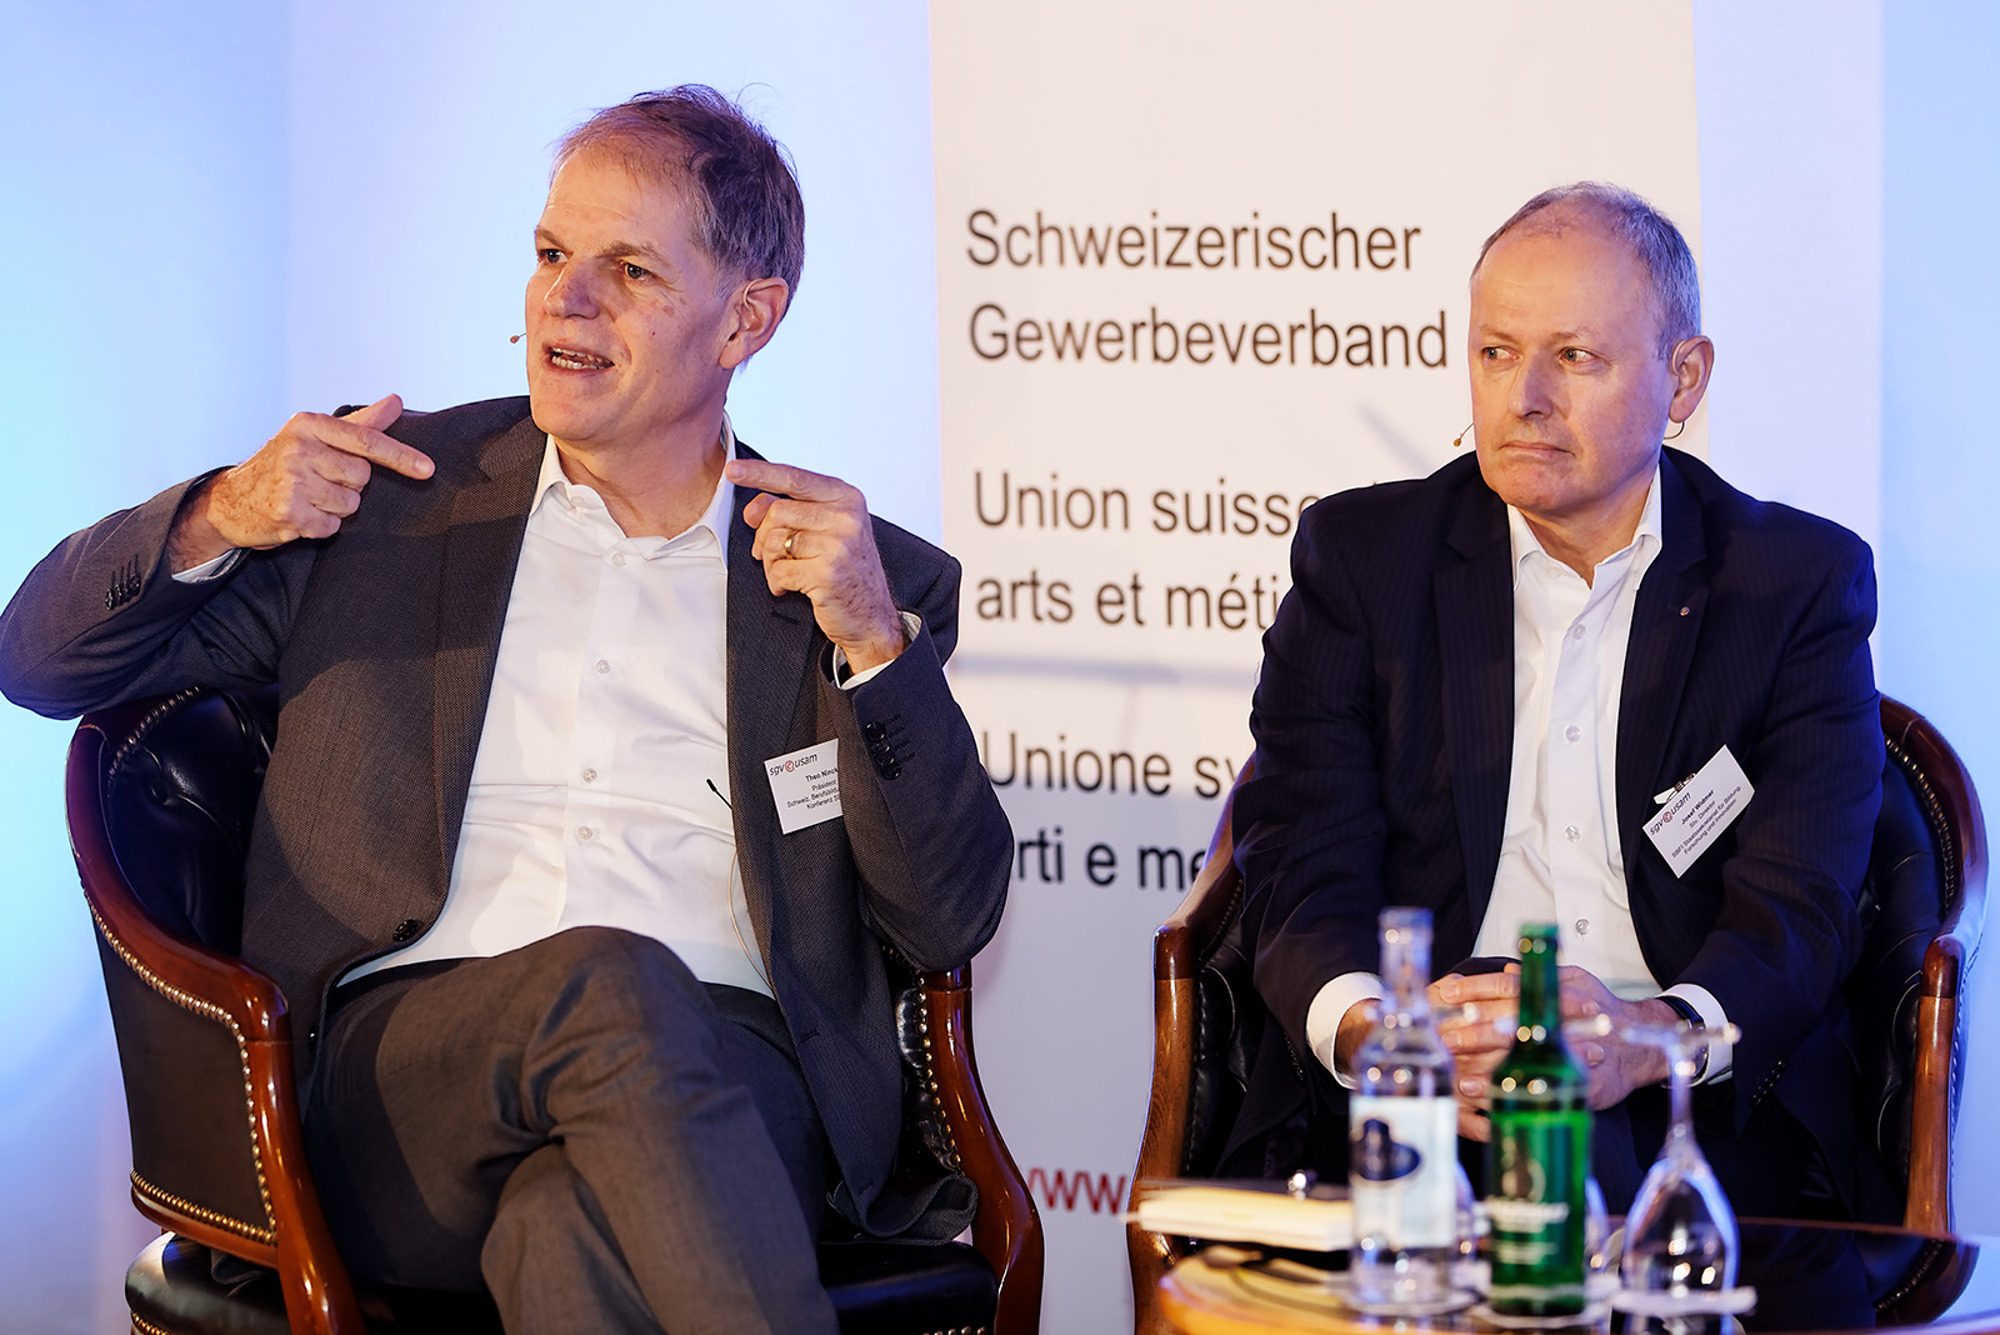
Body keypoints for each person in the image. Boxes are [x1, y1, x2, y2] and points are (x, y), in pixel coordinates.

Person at [0, 86, 1011, 1335]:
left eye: (628, 270)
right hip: (403, 1085)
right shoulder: (386, 504)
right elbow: (38, 663)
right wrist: (223, 513)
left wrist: (872, 647)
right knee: (609, 982)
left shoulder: (853, 577)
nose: (563, 301)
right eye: (548, 254)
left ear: (745, 319)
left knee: (565, 1238)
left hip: (736, 1074)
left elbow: (946, 914)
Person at [1232, 182, 1886, 1219]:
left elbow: (1800, 905)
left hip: (1684, 1103)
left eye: (1574, 357)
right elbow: (1298, 861)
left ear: (1683, 378)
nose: (1524, 396)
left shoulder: (1790, 584)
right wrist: (1383, 1038)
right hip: (1418, 1101)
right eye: (1495, 352)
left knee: (1595, 1159)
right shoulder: (1361, 560)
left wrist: (1649, 1041)